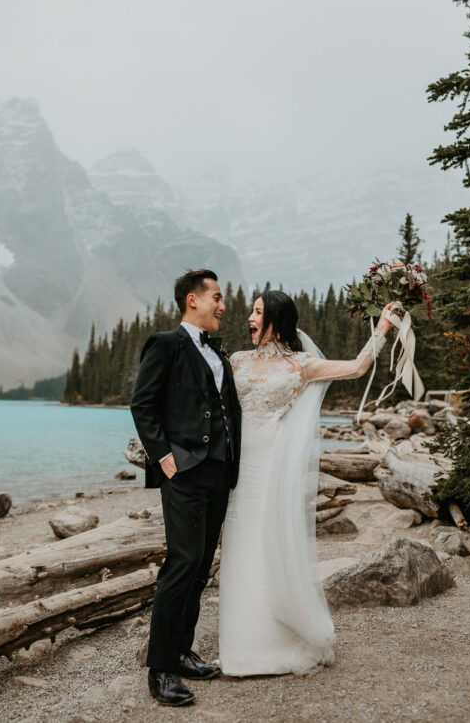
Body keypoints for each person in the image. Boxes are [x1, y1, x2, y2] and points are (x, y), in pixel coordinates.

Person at [218, 289, 395, 676]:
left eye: (258, 312)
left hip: (271, 470)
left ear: (276, 321)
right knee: (239, 547)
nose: (249, 317)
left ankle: (275, 644)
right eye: (251, 310)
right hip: (238, 469)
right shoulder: (237, 361)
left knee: (267, 547)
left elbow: (357, 367)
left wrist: (381, 328)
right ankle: (238, 649)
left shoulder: (303, 365)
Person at [130, 269, 241, 707]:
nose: (222, 304)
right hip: (185, 473)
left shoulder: (219, 353)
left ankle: (181, 651)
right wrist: (164, 456)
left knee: (200, 568)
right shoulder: (166, 343)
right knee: (181, 563)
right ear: (193, 300)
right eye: (216, 296)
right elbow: (142, 403)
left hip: (219, 473)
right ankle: (160, 670)